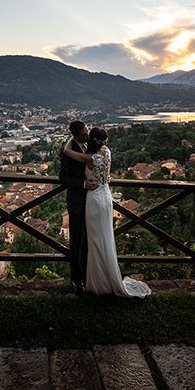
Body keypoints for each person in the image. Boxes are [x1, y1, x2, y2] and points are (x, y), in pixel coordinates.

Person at [62, 127, 151, 298]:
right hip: (106, 197)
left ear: (92, 140)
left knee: (95, 240)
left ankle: (98, 280)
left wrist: (70, 139)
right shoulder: (107, 152)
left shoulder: (91, 158)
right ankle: (107, 276)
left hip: (94, 200)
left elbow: (67, 151)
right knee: (105, 237)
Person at [58, 120, 97, 295]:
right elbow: (63, 177)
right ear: (75, 136)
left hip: (93, 200)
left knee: (90, 239)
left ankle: (90, 275)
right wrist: (83, 184)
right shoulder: (67, 152)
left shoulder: (91, 144)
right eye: (83, 134)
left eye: (87, 132)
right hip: (77, 201)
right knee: (77, 241)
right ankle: (77, 279)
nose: (87, 136)